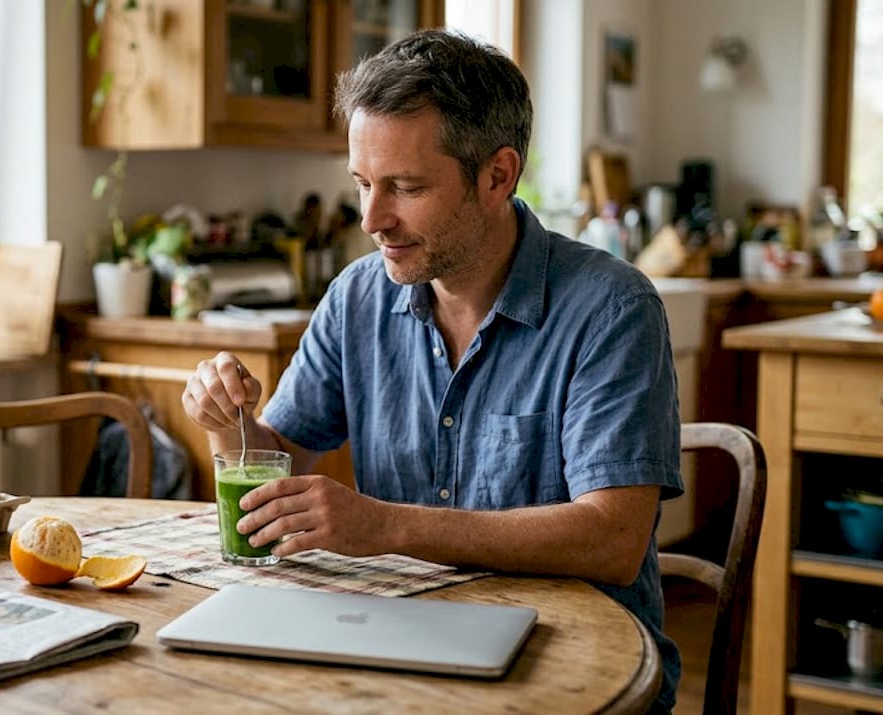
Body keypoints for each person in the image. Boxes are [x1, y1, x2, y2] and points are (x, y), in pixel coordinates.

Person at [181, 29, 684, 713]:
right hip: (398, 648)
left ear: (498, 176)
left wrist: (384, 526)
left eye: (405, 187)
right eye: (362, 184)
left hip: (577, 666)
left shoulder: (612, 309)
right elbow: (279, 464)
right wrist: (227, 421)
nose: (371, 218)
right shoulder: (358, 297)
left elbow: (614, 538)